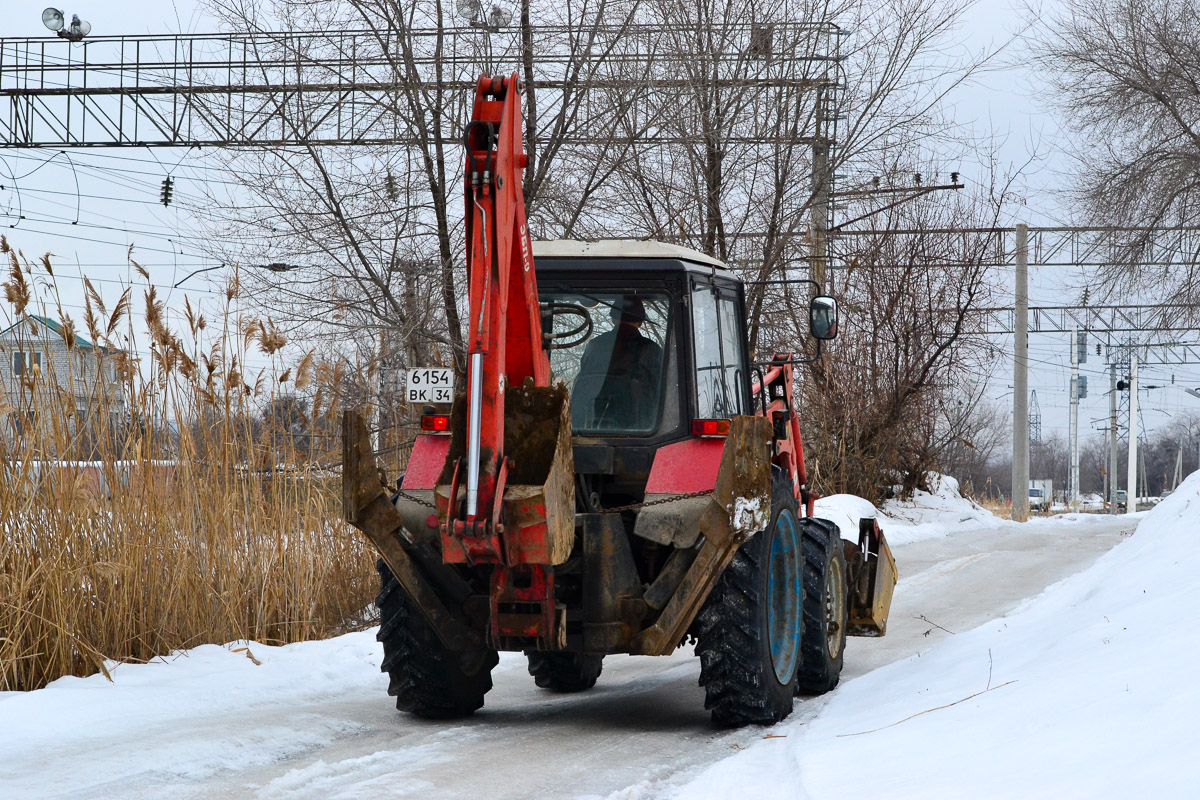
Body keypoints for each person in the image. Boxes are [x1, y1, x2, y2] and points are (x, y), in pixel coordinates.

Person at [577, 296, 663, 430]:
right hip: (641, 428)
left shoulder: (595, 346)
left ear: (613, 319)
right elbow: (662, 391)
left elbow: (583, 384)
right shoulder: (651, 351)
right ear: (640, 322)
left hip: (594, 423)